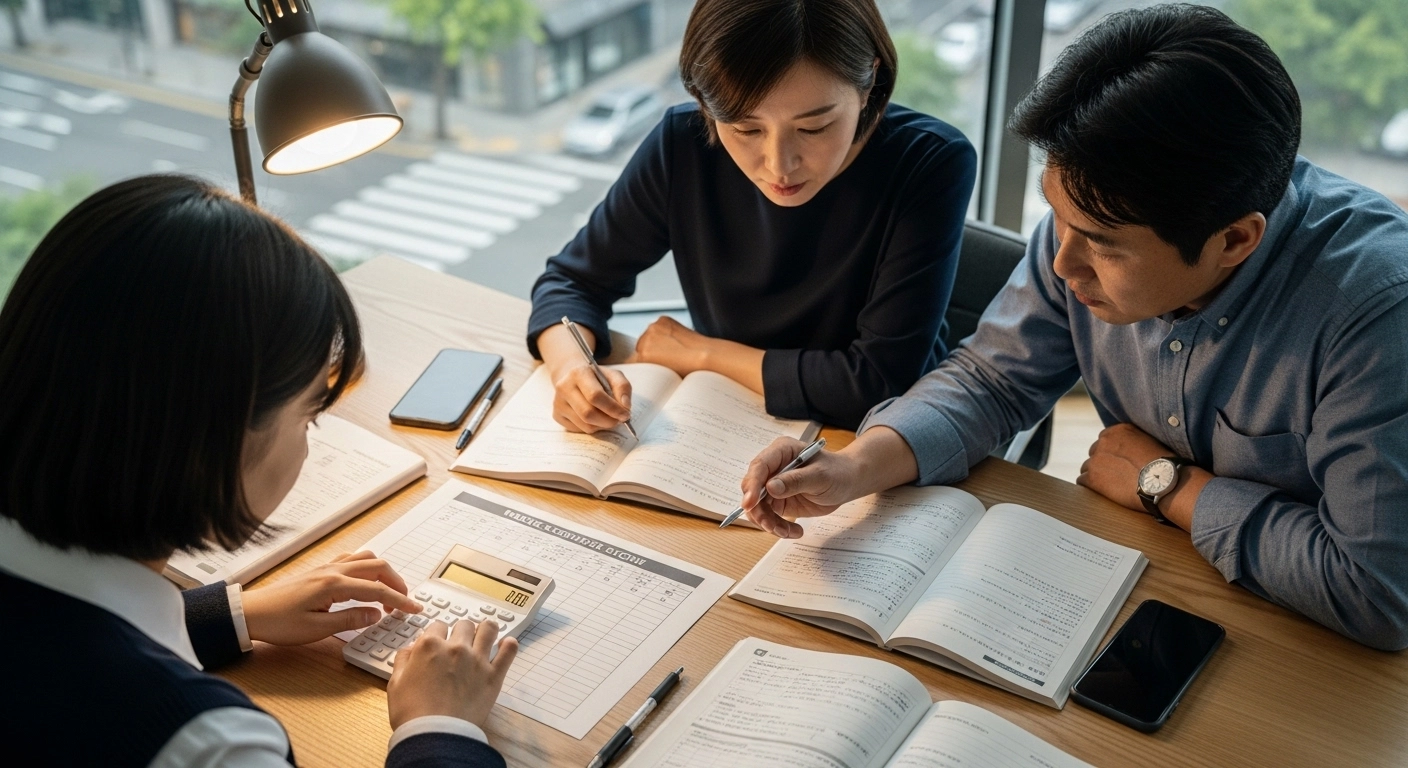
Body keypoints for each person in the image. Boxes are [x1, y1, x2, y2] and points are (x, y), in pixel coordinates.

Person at [739, 4, 1408, 651]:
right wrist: (854, 467)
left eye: (1102, 244)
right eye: (1055, 216)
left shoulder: (1377, 315)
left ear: (1234, 240)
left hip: (1300, 648)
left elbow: (1375, 591)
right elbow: (990, 381)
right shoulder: (1091, 211)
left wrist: (1168, 486)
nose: (1062, 261)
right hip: (1139, 587)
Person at [0, 175, 517, 766]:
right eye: (307, 419)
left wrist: (232, 615)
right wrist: (440, 731)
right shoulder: (214, 746)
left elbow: (54, 641)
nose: (307, 444)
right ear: (217, 441)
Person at [529, 0, 977, 432]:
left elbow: (876, 382)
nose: (779, 165)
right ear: (706, 103)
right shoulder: (683, 144)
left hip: (876, 437)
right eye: (746, 129)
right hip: (729, 413)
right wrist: (571, 368)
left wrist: (705, 354)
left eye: (813, 127)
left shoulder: (931, 162)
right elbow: (573, 282)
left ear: (869, 82)